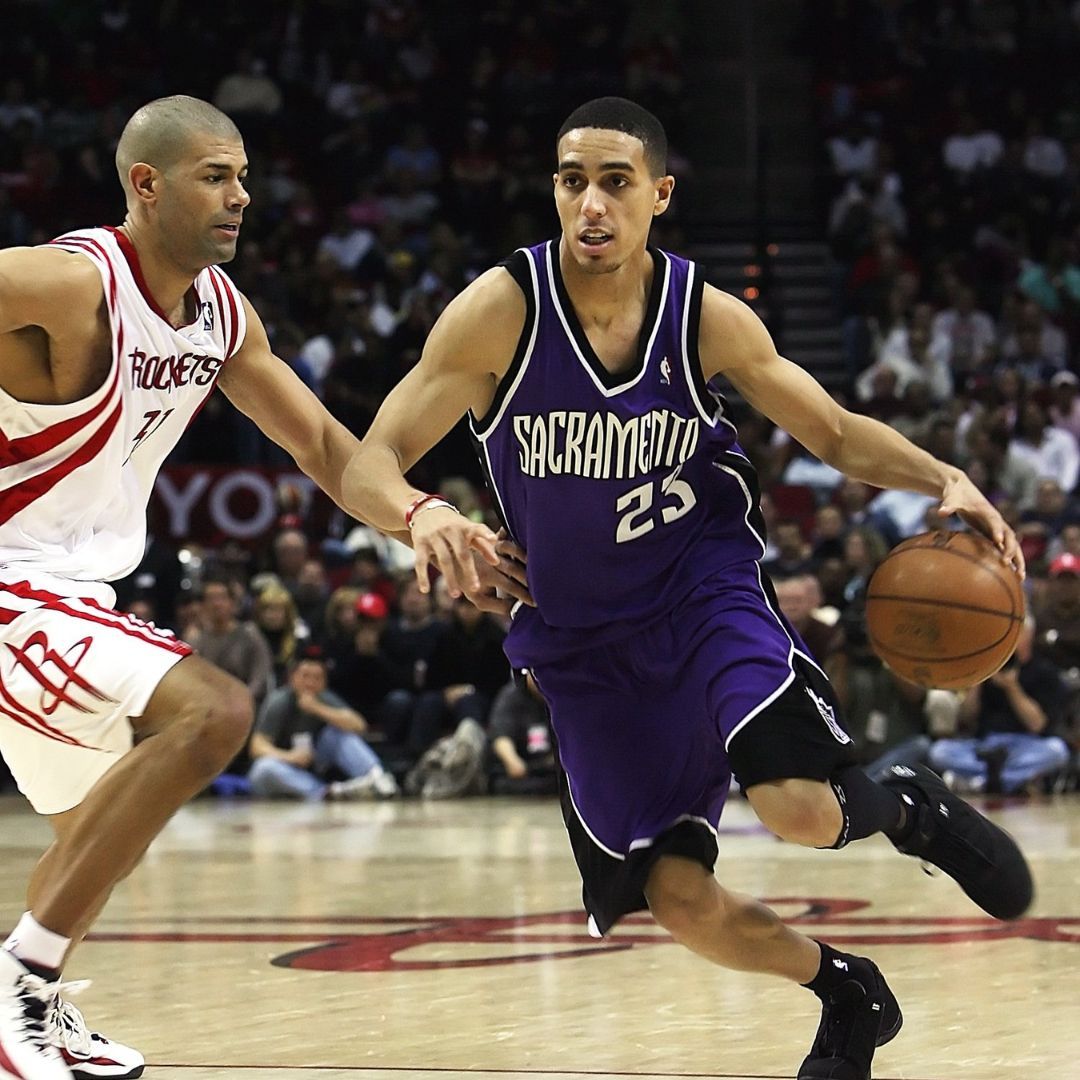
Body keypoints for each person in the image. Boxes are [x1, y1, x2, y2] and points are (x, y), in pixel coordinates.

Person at [342, 97, 1034, 1080]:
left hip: (700, 595)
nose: (591, 203)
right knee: (676, 899)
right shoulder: (500, 310)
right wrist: (421, 513)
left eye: (616, 182)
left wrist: (945, 478)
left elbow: (831, 431)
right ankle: (846, 993)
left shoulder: (702, 314)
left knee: (798, 804)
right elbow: (371, 457)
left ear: (658, 196)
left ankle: (912, 809)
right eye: (572, 179)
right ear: (554, 189)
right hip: (579, 644)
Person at [0, 95, 528, 1080]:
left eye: (244, 175)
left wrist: (423, 513)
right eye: (216, 175)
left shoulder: (220, 319)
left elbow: (331, 448)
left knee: (90, 841)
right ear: (144, 185)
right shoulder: (72, 286)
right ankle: (17, 989)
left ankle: (33, 998)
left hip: (73, 593)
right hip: (11, 589)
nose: (242, 196)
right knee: (218, 711)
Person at [247, 648, 398, 800]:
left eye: (317, 678)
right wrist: (290, 757)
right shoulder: (279, 701)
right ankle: (325, 793)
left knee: (336, 733)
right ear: (292, 678)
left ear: (325, 682)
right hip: (285, 766)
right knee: (263, 769)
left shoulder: (325, 698)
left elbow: (359, 725)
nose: (311, 683)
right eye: (305, 676)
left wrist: (317, 708)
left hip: (316, 762)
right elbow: (257, 746)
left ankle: (376, 777)